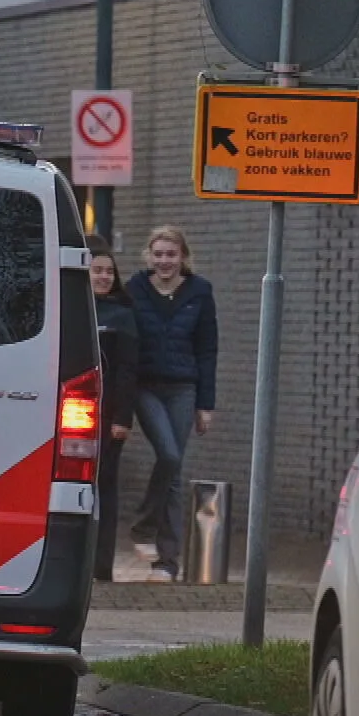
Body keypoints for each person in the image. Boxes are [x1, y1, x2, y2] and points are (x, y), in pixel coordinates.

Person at [125, 226, 219, 583]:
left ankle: (166, 562)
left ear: (183, 257)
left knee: (174, 473)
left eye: (171, 254)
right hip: (145, 386)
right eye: (159, 254)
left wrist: (205, 404)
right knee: (168, 455)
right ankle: (144, 527)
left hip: (183, 388)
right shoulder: (135, 290)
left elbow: (207, 350)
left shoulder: (200, 292)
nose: (165, 261)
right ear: (149, 256)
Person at [88, 236, 138, 583]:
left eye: (109, 271)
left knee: (105, 485)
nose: (104, 277)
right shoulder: (74, 308)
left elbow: (127, 369)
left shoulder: (123, 315)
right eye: (98, 271)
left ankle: (102, 565)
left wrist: (122, 417)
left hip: (109, 413)